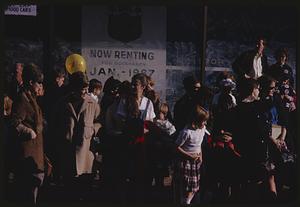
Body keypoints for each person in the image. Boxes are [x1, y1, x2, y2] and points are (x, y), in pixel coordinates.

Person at [53, 71, 101, 200]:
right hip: (67, 153)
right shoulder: (63, 103)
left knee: (84, 192)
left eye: (86, 89)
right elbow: (55, 123)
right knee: (69, 192)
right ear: (73, 88)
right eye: (81, 89)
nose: (84, 92)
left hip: (86, 156)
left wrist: (92, 130)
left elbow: (99, 121)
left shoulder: (92, 103)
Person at [233, 78, 278, 202]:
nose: (259, 91)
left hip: (246, 151)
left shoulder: (237, 108)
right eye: (257, 89)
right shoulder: (253, 108)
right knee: (259, 181)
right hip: (258, 152)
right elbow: (261, 129)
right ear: (253, 90)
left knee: (259, 180)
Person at [10, 63, 45, 205]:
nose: (40, 86)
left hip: (35, 154)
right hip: (27, 154)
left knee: (33, 193)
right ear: (31, 82)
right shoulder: (22, 99)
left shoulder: (32, 99)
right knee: (28, 195)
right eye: (39, 83)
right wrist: (29, 132)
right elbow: (14, 122)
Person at [175, 105, 209, 205]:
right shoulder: (186, 132)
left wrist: (201, 156)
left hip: (196, 161)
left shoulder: (202, 129)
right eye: (203, 121)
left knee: (195, 186)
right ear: (196, 120)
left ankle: (187, 201)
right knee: (187, 185)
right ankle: (185, 201)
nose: (205, 123)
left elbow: (199, 145)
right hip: (186, 162)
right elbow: (176, 147)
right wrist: (188, 156)